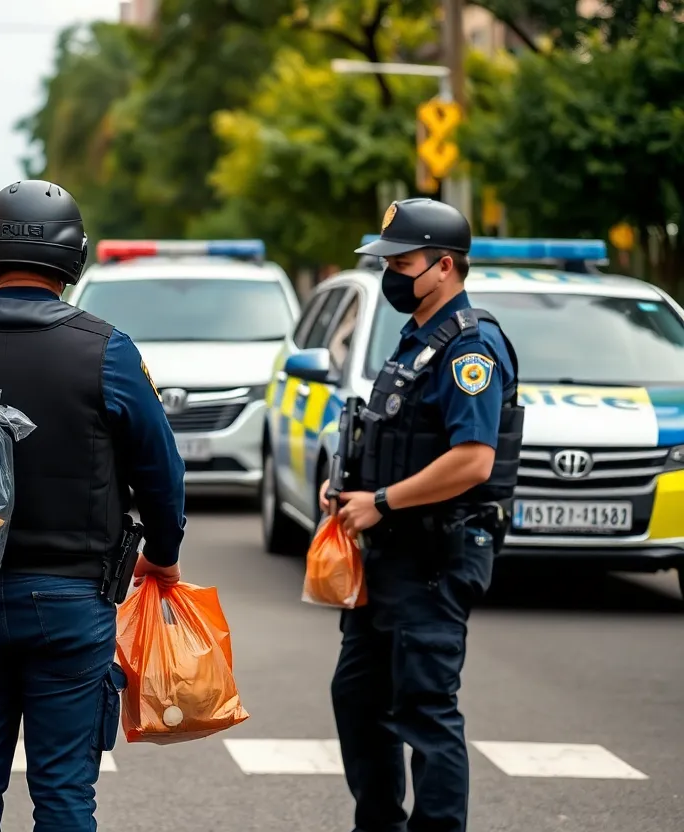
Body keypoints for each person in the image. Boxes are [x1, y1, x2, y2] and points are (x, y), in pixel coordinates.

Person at [0, 179, 187, 831]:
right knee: (62, 793)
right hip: (68, 604)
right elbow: (161, 472)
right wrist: (162, 557)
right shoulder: (105, 349)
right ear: (72, 257)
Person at [321, 197, 523, 832]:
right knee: (358, 698)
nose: (391, 274)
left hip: (434, 555)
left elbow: (473, 461)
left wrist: (380, 503)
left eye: (401, 262)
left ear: (443, 266)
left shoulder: (472, 348)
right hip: (390, 554)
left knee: (425, 710)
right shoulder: (418, 342)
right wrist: (352, 491)